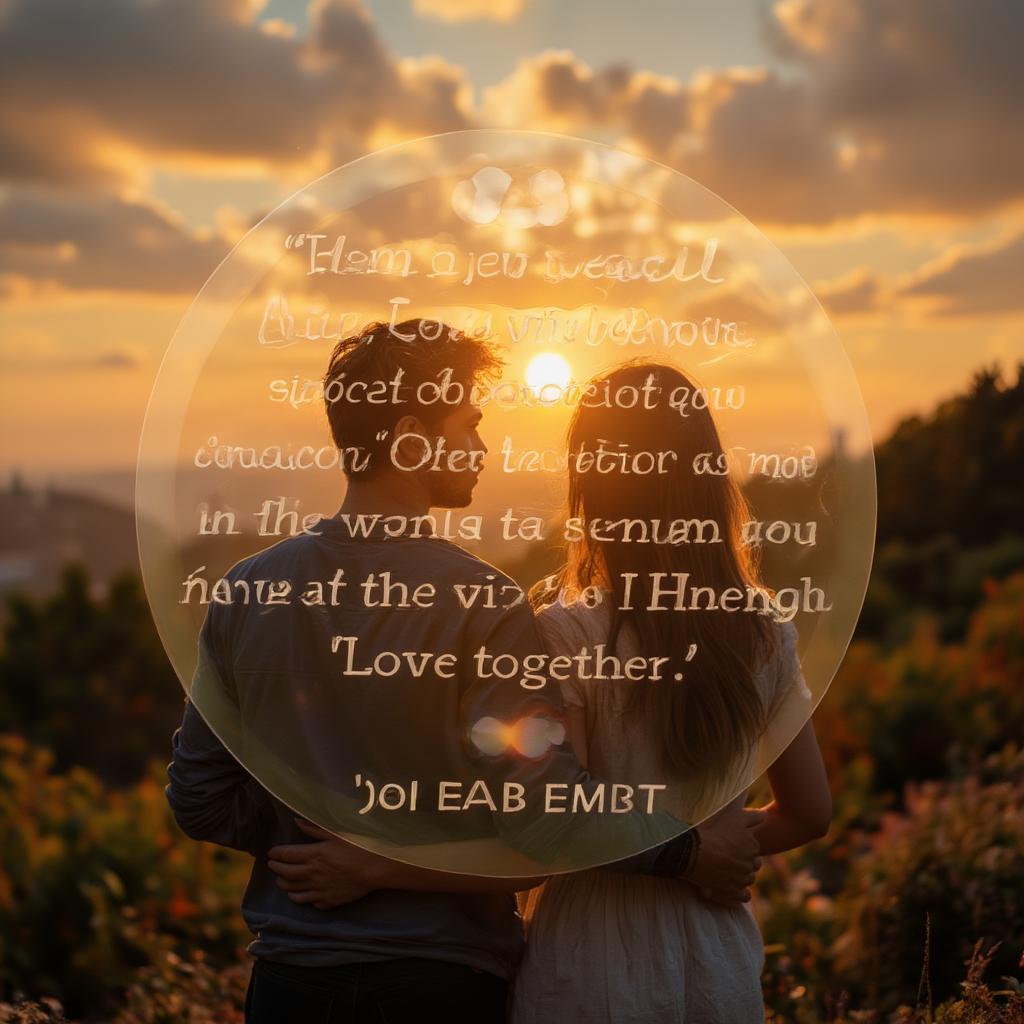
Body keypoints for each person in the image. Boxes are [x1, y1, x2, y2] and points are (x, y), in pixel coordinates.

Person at [165, 322, 767, 1024]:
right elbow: (545, 819)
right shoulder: (482, 604)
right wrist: (687, 849)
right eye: (471, 426)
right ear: (415, 435)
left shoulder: (246, 591)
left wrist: (313, 825)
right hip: (442, 984)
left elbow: (199, 800)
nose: (482, 449)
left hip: (290, 985)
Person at [503, 361, 833, 1023]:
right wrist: (715, 848)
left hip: (590, 967)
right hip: (715, 963)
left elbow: (556, 820)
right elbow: (810, 812)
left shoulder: (567, 634)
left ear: (591, 490)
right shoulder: (764, 636)